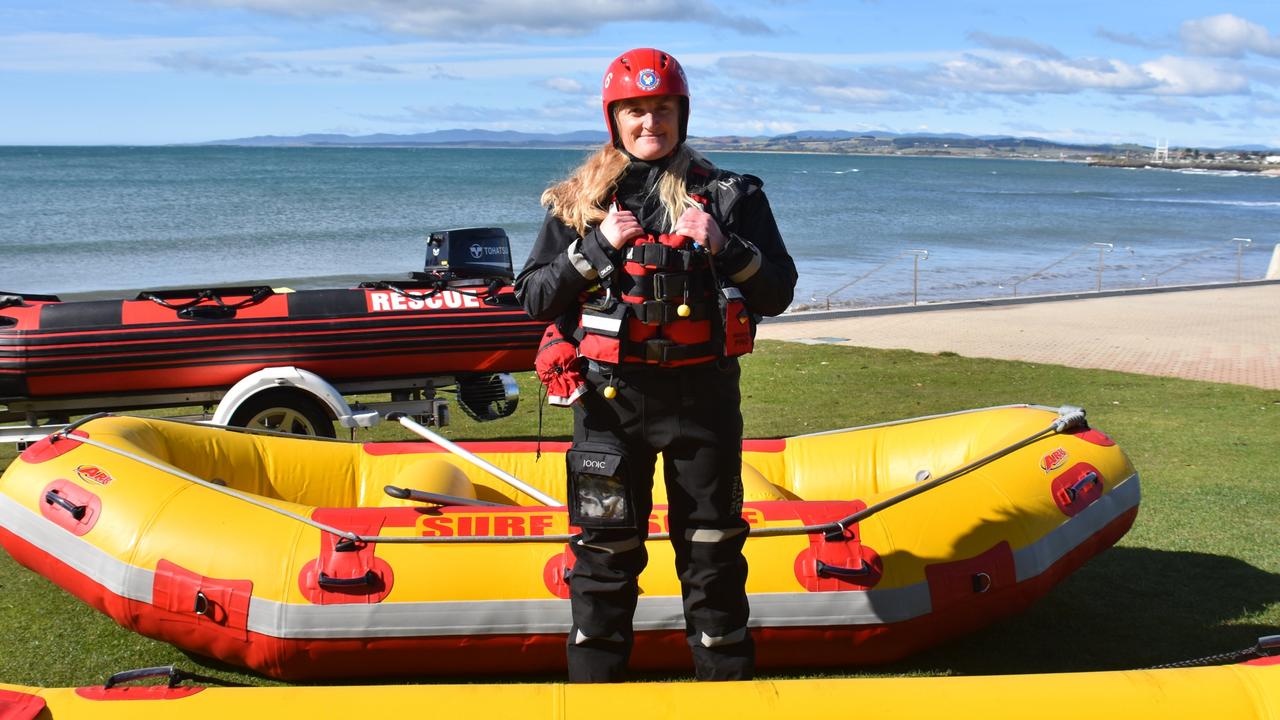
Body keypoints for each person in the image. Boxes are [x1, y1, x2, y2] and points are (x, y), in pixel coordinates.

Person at [515, 47, 797, 682]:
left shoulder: (730, 197)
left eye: (662, 109)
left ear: (682, 114)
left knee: (713, 556)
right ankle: (597, 693)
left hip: (706, 402)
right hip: (610, 407)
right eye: (636, 111)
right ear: (615, 118)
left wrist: (726, 247)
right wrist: (595, 248)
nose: (651, 123)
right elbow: (533, 296)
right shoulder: (578, 203)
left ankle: (725, 690)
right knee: (604, 557)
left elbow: (776, 292)